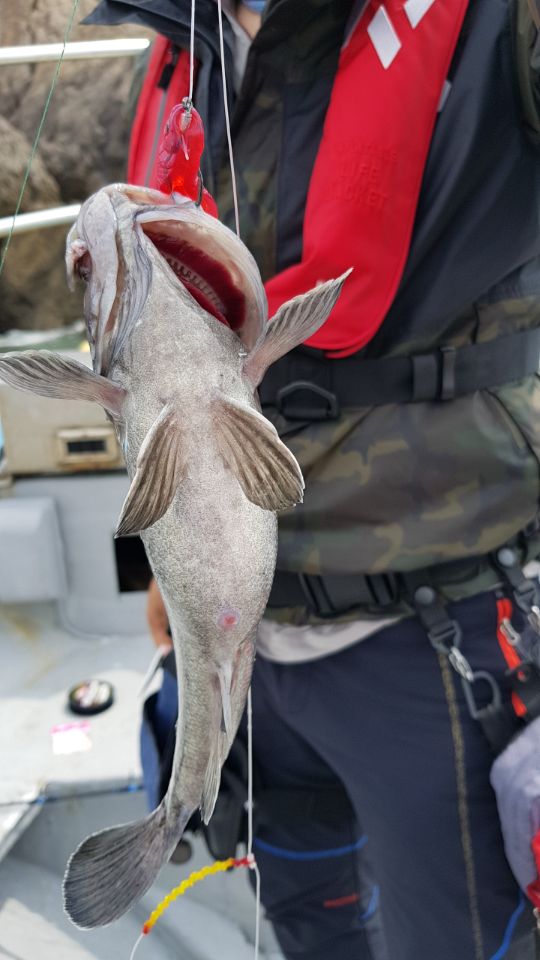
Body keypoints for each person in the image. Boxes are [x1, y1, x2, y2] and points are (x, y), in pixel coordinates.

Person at [88, 0, 540, 956]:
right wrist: (167, 573)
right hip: (240, 637)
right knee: (307, 919)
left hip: (432, 637)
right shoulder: (180, 42)